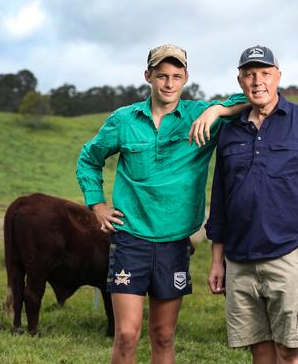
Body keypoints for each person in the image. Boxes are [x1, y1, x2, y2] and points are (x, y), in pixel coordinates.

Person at [76, 43, 248, 364]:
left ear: (185, 79)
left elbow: (249, 97)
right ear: (148, 77)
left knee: (164, 336)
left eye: (176, 76)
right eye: (161, 76)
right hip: (130, 238)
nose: (169, 84)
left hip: (174, 242)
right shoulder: (124, 120)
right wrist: (96, 204)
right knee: (127, 334)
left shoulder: (199, 116)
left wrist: (217, 110)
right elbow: (89, 159)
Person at [206, 45, 298, 364]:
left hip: (288, 256)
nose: (258, 81)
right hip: (239, 261)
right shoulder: (229, 132)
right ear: (240, 81)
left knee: (291, 350)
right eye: (250, 74)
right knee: (260, 349)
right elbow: (221, 202)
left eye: (265, 73)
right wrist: (217, 260)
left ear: (278, 76)